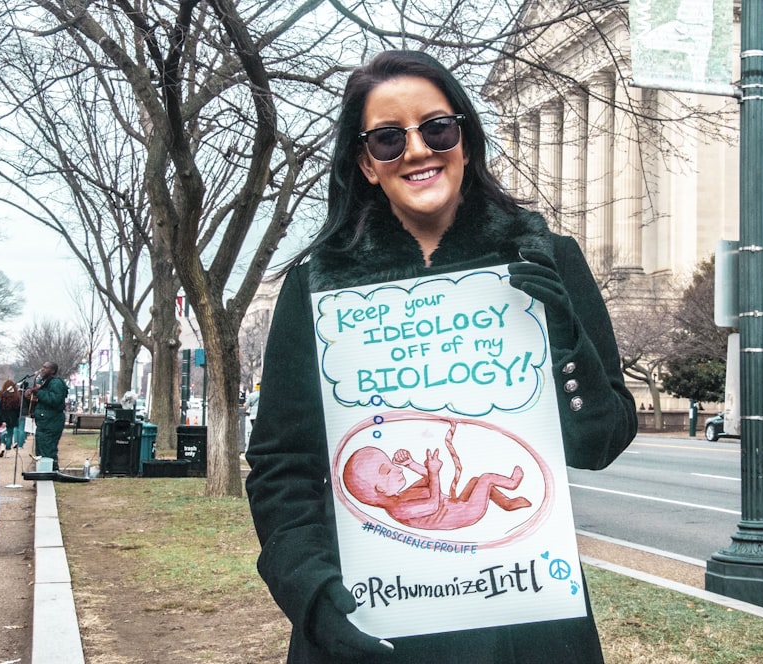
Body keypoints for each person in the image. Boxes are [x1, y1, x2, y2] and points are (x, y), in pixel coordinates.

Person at [244, 50, 637, 663]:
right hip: (370, 616)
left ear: (466, 141)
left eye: (436, 128)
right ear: (366, 165)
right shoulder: (316, 286)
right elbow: (281, 465)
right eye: (386, 139)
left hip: (521, 622)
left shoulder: (545, 259)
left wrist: (565, 342)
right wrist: (310, 592)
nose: (418, 150)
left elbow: (601, 442)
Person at [343, 445, 530, 530]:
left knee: (474, 481)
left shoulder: (404, 496)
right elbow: (432, 505)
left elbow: (427, 478)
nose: (396, 469)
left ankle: (507, 503)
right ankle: (512, 484)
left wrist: (411, 463)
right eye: (387, 471)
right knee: (486, 479)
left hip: (458, 504)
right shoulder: (399, 509)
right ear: (380, 489)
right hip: (466, 513)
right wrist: (433, 472)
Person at [24, 362, 68, 470]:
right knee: (42, 449)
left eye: (45, 368)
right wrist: (30, 394)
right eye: (42, 367)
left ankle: (50, 471)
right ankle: (44, 471)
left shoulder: (56, 383)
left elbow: (55, 400)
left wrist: (39, 392)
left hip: (51, 422)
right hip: (44, 422)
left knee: (48, 448)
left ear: (52, 371)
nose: (42, 369)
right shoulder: (44, 382)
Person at [0, 379, 24, 456]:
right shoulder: (16, 396)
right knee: (10, 434)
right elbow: (18, 408)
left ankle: (2, 445)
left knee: (2, 432)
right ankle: (7, 450)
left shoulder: (1, 395)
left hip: (3, 416)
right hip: (12, 417)